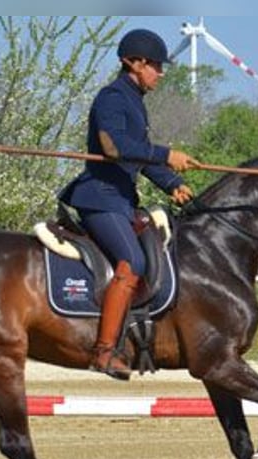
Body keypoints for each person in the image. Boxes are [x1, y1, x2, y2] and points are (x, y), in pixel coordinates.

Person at [58, 28, 200, 380]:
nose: (161, 73)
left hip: (121, 200)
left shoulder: (134, 102)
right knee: (132, 260)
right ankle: (104, 352)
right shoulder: (112, 98)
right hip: (99, 198)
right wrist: (168, 154)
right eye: (154, 66)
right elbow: (114, 148)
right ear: (133, 63)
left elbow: (137, 157)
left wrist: (172, 183)